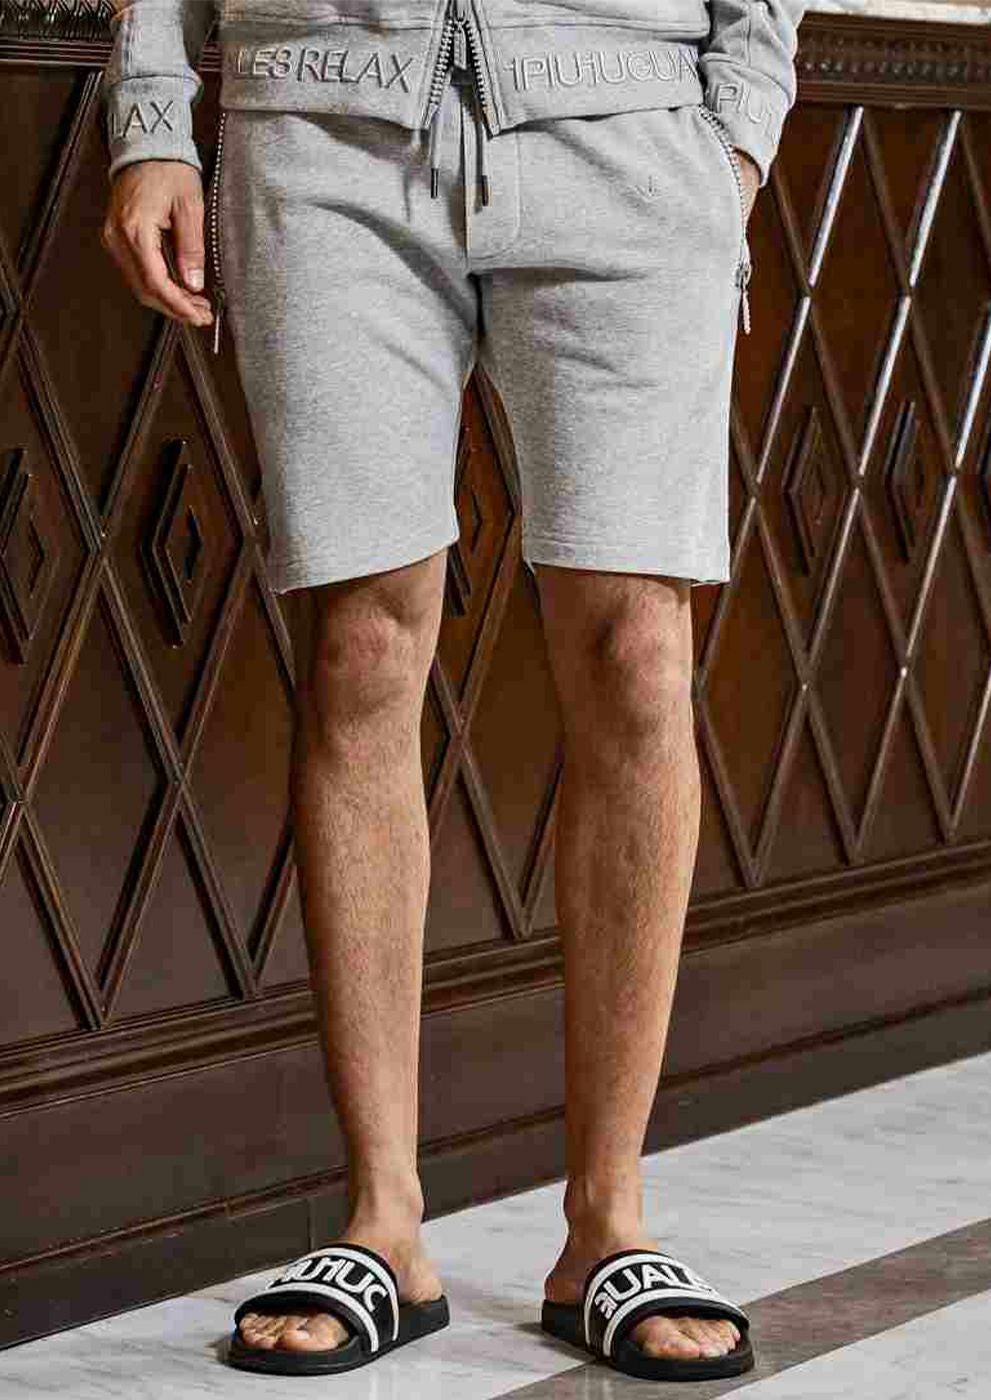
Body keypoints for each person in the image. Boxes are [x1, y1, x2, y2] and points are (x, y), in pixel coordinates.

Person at [101, 0, 804, 1382]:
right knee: (361, 650)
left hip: (632, 121)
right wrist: (149, 116)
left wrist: (739, 129)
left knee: (639, 658)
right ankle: (383, 1223)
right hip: (324, 126)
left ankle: (608, 1223)